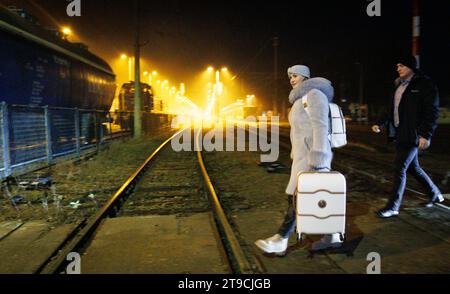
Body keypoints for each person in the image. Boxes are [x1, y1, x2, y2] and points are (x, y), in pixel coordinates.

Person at [254, 65, 343, 255]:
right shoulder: (299, 99)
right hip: (302, 157)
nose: (291, 79)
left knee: (298, 197)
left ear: (304, 77)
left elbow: (320, 126)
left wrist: (318, 156)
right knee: (312, 196)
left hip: (313, 157)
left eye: (294, 76)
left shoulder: (314, 94)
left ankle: (281, 238)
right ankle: (332, 236)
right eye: (290, 77)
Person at [372, 55, 443, 218]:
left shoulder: (424, 85)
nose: (398, 68)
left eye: (401, 65)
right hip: (400, 133)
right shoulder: (398, 85)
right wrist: (380, 123)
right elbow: (391, 109)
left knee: (399, 168)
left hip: (414, 134)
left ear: (411, 67)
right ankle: (435, 194)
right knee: (413, 168)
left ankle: (393, 206)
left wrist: (426, 134)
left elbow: (432, 112)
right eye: (397, 66)